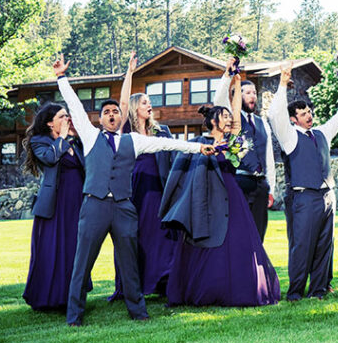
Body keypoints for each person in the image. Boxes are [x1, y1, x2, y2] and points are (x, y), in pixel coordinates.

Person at [53, 54, 216, 326]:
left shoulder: (134, 141)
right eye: (106, 112)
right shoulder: (90, 136)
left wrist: (198, 147)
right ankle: (74, 316)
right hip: (94, 206)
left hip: (123, 207)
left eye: (115, 111)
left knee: (130, 261)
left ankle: (138, 311)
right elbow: (74, 104)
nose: (111, 114)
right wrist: (61, 77)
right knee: (82, 262)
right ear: (100, 119)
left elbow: (168, 145)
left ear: (121, 116)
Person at [161, 73, 281, 307]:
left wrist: (237, 84)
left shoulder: (232, 142)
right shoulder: (198, 143)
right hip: (208, 198)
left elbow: (236, 115)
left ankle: (237, 289)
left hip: (232, 196)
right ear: (214, 121)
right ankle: (206, 288)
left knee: (237, 240)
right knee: (206, 241)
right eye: (224, 116)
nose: (229, 119)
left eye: (229, 116)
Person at [268, 61, 338, 301]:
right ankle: (295, 292)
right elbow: (275, 115)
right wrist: (283, 84)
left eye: (310, 112)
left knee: (325, 244)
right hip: (303, 198)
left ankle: (318, 290)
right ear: (294, 119)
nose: (309, 116)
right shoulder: (289, 137)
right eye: (303, 113)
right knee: (302, 245)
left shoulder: (322, 133)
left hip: (327, 196)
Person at [108, 52, 182, 299]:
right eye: (143, 103)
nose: (149, 105)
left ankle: (164, 280)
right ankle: (133, 283)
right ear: (134, 108)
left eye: (150, 102)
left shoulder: (163, 131)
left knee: (161, 235)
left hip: (159, 190)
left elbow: (174, 157)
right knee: (134, 236)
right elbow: (122, 103)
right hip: (134, 192)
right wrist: (129, 73)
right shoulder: (125, 130)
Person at [21, 102, 87, 310]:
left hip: (76, 202)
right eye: (62, 116)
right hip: (55, 205)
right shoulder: (39, 142)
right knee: (53, 249)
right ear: (50, 123)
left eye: (67, 115)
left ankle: (72, 295)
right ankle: (48, 298)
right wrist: (64, 137)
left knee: (74, 247)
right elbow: (50, 158)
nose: (67, 119)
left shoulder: (74, 142)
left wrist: (77, 137)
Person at [212, 70, 276, 241]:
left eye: (254, 92)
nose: (253, 96)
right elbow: (219, 100)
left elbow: (269, 157)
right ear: (237, 97)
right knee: (238, 233)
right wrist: (228, 75)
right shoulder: (231, 119)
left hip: (260, 184)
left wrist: (271, 189)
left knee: (258, 235)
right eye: (248, 93)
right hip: (239, 181)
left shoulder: (263, 123)